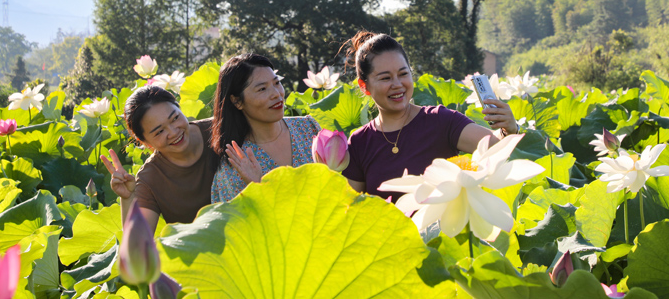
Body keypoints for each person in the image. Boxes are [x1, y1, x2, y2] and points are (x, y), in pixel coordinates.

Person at [341, 31, 519, 200]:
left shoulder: (441, 120)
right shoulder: (359, 143)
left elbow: (494, 148)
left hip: (444, 231)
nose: (397, 84)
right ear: (364, 86)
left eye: (403, 74)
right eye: (385, 78)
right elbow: (351, 207)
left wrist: (509, 129)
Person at [101, 85, 219, 232]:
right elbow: (137, 245)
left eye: (175, 118)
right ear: (144, 141)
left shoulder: (220, 129)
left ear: (179, 107)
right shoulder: (150, 179)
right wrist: (128, 199)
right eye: (160, 131)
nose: (173, 132)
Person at [210, 53, 321, 202]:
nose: (277, 94)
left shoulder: (309, 128)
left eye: (276, 83)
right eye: (262, 89)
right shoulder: (236, 164)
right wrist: (257, 186)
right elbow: (237, 223)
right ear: (237, 101)